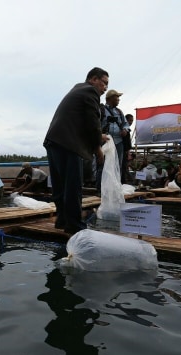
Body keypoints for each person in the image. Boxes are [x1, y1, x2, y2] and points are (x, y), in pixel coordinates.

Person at [43, 67, 109, 234]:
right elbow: (92, 123)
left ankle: (63, 220)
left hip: (54, 140)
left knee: (60, 185)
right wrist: (98, 148)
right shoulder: (90, 92)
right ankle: (74, 225)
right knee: (72, 186)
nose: (105, 88)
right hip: (68, 143)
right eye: (104, 83)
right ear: (94, 79)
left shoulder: (77, 89)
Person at [95, 89, 130, 193]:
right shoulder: (101, 110)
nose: (118, 100)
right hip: (105, 141)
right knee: (102, 164)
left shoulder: (119, 112)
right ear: (110, 99)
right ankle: (100, 189)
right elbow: (96, 124)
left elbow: (125, 124)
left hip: (118, 142)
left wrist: (124, 129)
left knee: (117, 165)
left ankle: (114, 189)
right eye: (116, 98)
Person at [121, 113, 135, 183]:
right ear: (125, 120)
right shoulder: (124, 129)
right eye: (130, 120)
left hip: (125, 152)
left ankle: (124, 182)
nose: (131, 122)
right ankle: (123, 182)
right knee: (123, 168)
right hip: (123, 151)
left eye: (132, 121)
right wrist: (127, 151)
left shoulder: (127, 130)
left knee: (124, 168)